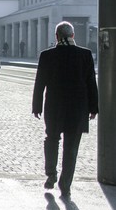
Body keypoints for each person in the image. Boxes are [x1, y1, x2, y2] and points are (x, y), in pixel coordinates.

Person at [32, 21, 98, 197]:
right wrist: (94, 107)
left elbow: (40, 84)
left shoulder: (47, 55)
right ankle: (65, 184)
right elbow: (91, 82)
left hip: (54, 107)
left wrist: (36, 106)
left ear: (56, 36)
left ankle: (51, 175)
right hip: (78, 108)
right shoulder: (85, 55)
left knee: (51, 140)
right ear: (73, 35)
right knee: (71, 147)